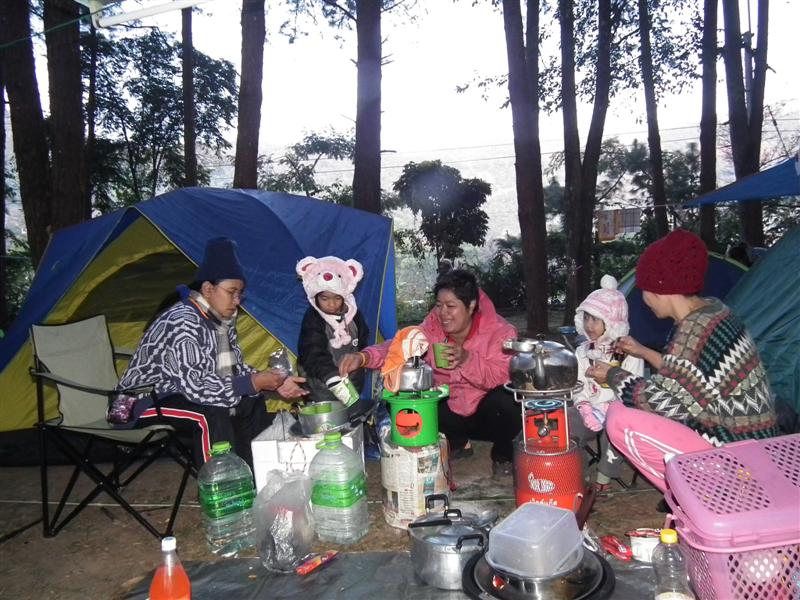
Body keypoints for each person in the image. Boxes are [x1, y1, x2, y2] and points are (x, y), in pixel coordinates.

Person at [587, 229, 779, 492]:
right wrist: (643, 352)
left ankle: (700, 493)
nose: (644, 298)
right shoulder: (714, 311)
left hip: (735, 456)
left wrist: (611, 375)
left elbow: (662, 403)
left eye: (644, 289)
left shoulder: (692, 330)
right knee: (627, 409)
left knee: (619, 418)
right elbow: (691, 378)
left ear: (661, 289)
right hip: (754, 443)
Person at [117, 237, 307, 469]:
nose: (237, 301)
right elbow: (195, 385)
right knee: (210, 413)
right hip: (140, 401)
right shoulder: (183, 321)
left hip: (180, 393)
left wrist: (275, 384)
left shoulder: (221, 321)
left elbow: (236, 369)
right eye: (232, 292)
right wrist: (253, 382)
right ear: (208, 289)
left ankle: (254, 473)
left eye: (240, 294)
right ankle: (223, 483)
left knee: (251, 400)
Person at [339, 269, 519, 475]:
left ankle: (503, 455)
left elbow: (503, 375)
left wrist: (467, 360)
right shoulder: (433, 328)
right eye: (439, 305)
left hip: (486, 415)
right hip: (449, 411)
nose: (443, 313)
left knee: (510, 398)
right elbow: (400, 347)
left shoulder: (500, 332)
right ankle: (457, 443)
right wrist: (363, 357)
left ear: (470, 306)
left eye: (451, 306)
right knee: (400, 399)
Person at [571, 274, 644, 492]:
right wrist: (584, 406)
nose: (589, 325)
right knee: (567, 424)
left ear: (612, 323)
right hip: (588, 409)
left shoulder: (630, 353)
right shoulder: (582, 352)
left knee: (615, 428)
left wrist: (608, 406)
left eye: (596, 319)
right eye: (586, 318)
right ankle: (577, 475)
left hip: (618, 409)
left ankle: (604, 477)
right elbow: (577, 385)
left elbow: (634, 389)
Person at [296, 256, 369, 404]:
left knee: (350, 415)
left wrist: (361, 362)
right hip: (320, 387)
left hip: (351, 384)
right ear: (315, 297)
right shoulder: (313, 319)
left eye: (337, 298)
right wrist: (331, 378)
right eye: (325, 299)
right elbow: (312, 352)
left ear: (344, 296)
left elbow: (363, 345)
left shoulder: (355, 316)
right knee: (329, 417)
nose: (331, 304)